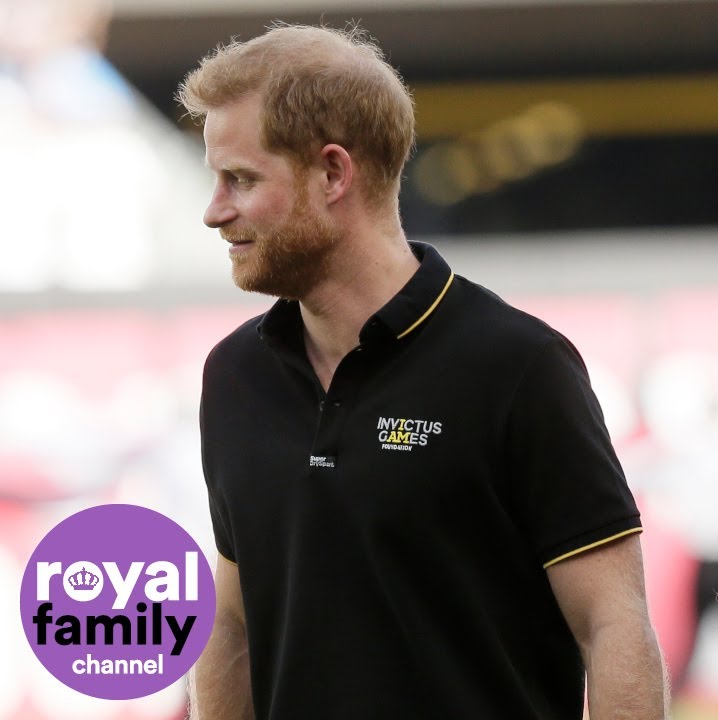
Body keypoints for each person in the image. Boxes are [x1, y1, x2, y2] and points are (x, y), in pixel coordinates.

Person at [178, 24, 666, 720]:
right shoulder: (232, 375)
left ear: (333, 173)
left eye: (241, 179)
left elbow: (613, 626)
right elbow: (231, 626)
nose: (214, 211)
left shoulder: (519, 367)